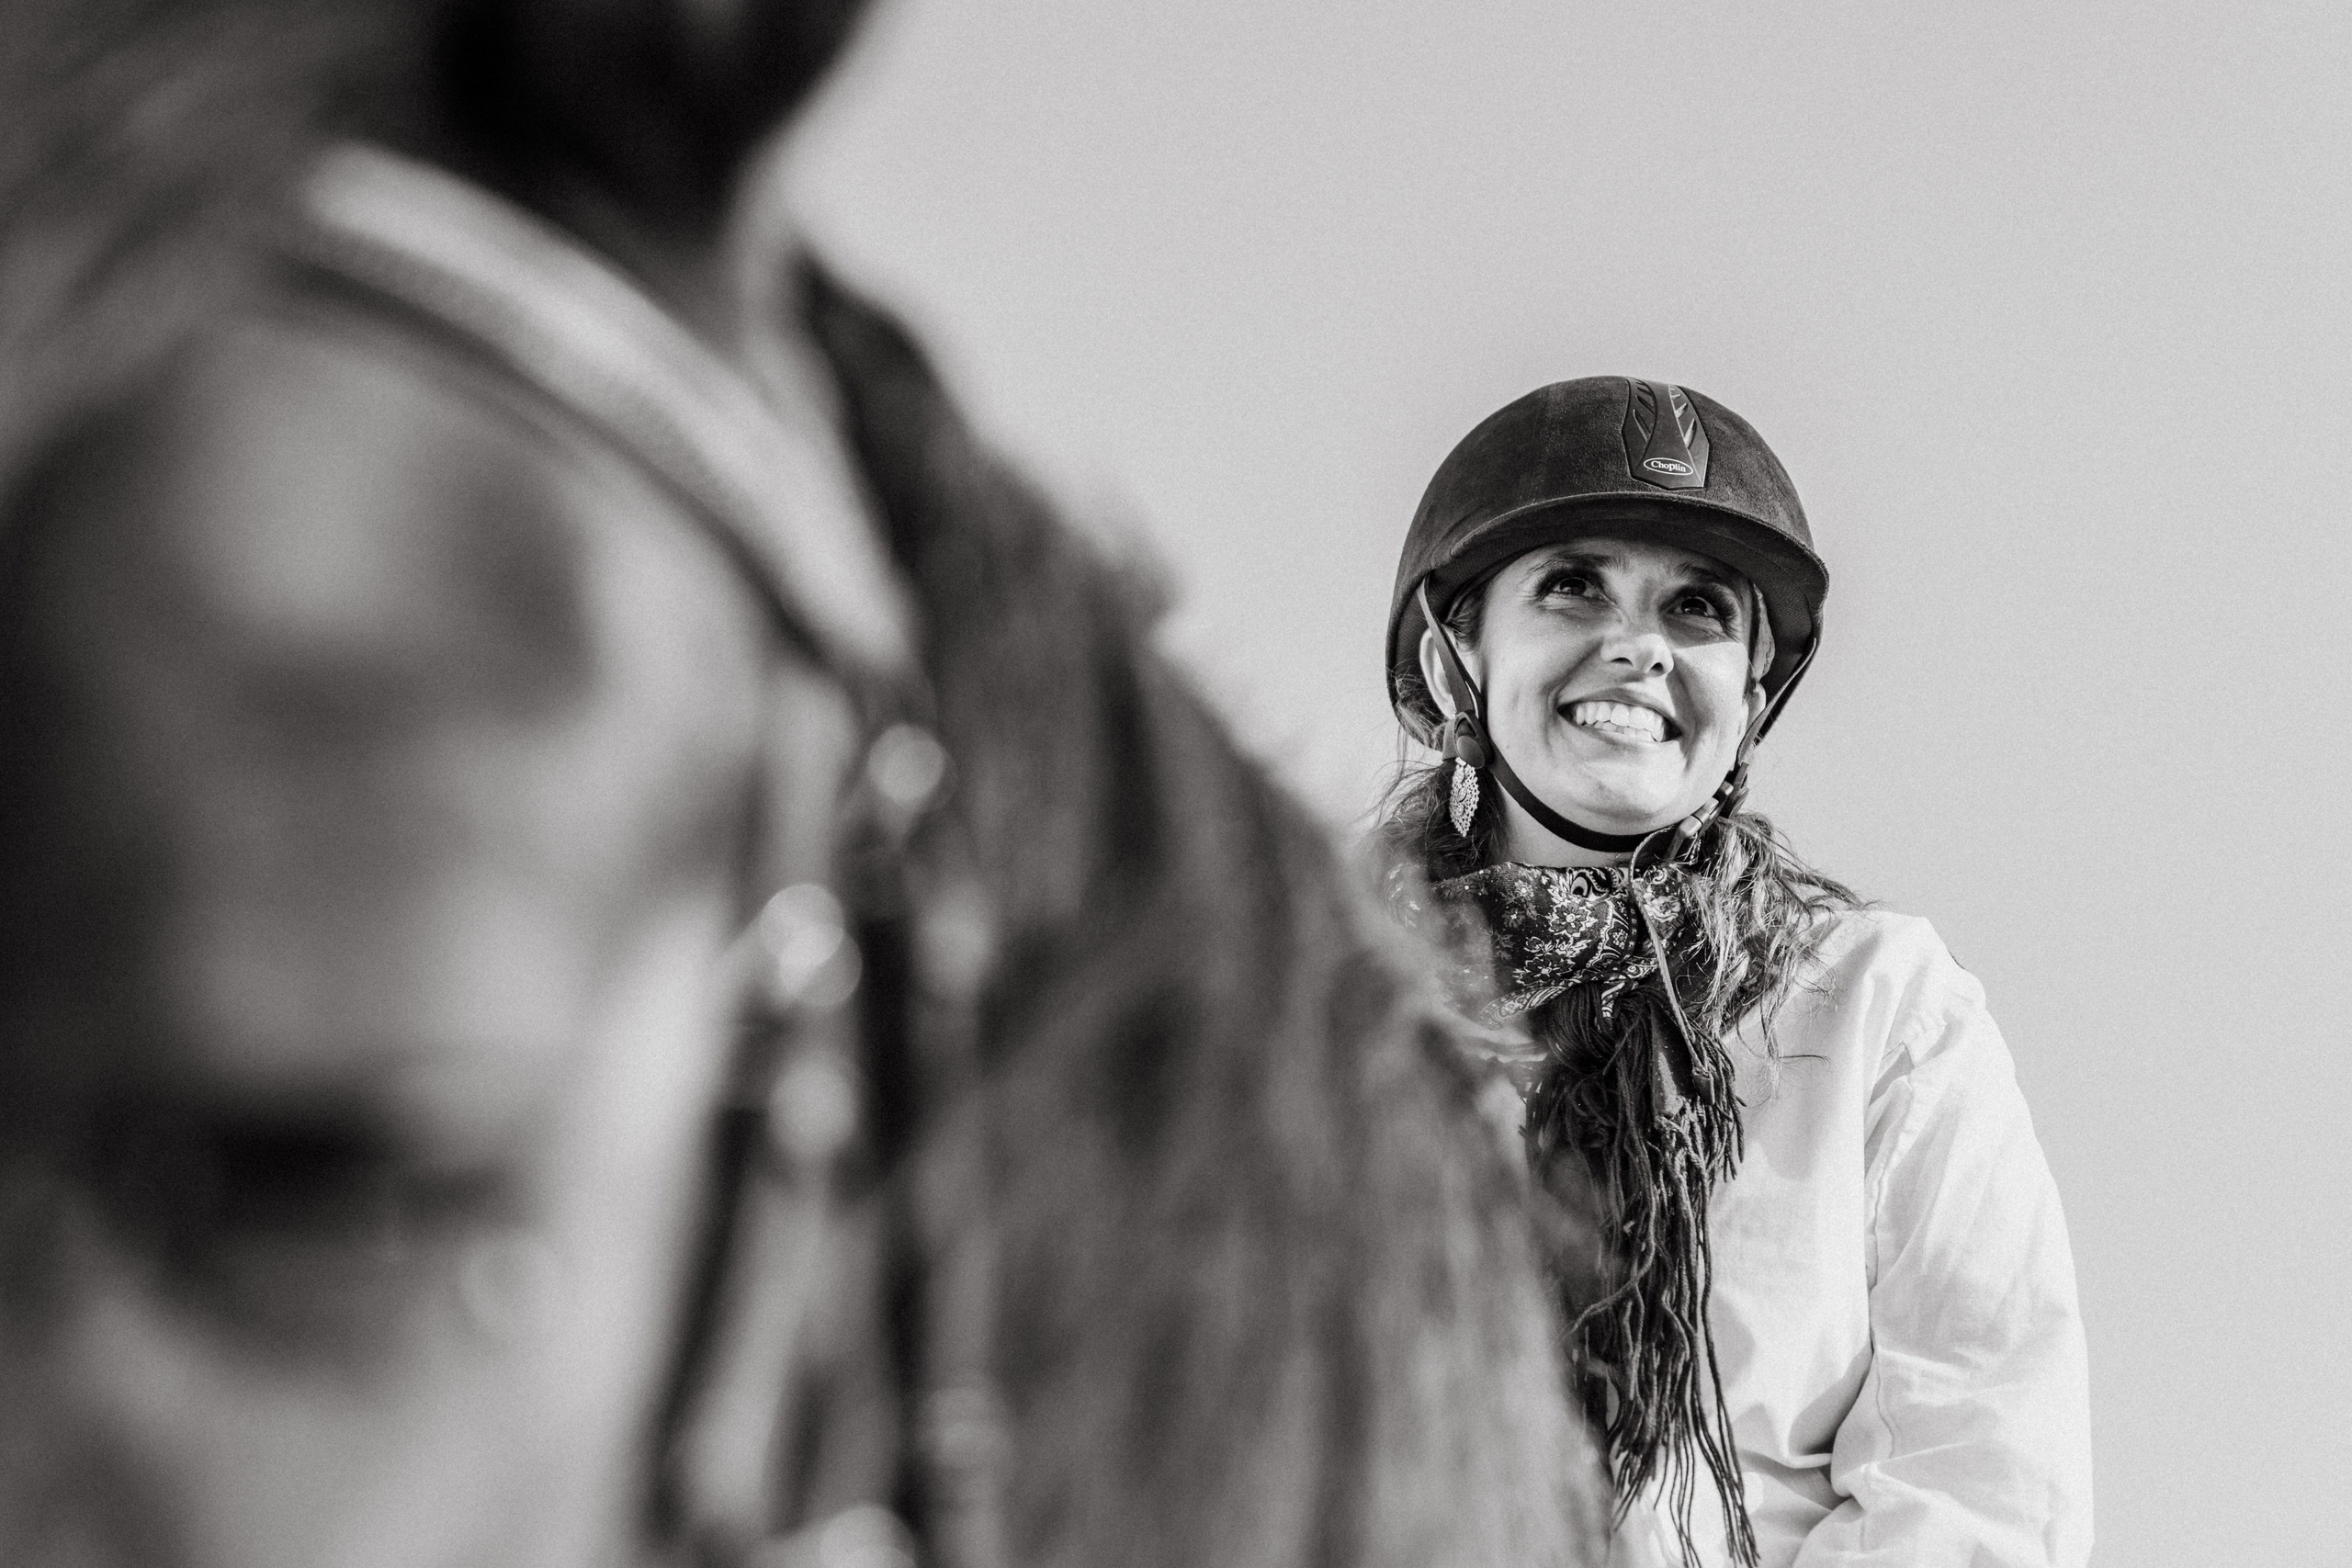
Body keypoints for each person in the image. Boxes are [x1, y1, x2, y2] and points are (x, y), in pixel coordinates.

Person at [1376, 378, 2093, 1568]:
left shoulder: (1877, 1008)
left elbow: (1981, 1484)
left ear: (1750, 695)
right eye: (1573, 586)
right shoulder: (1310, 1015)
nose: (1637, 648)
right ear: (1458, 653)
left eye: (1697, 607)